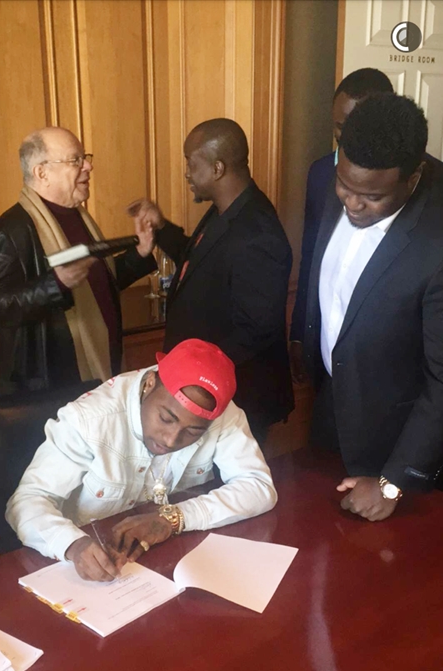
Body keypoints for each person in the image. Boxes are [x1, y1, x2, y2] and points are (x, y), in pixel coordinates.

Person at [6, 339, 277, 582]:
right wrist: (72, 545)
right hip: (81, 567)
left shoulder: (221, 414)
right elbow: (27, 501)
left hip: (168, 560)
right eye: (166, 418)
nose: (171, 439)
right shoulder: (88, 420)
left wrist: (174, 519)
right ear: (149, 383)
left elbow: (258, 486)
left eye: (193, 432)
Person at [300, 92, 443, 522]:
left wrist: (393, 481)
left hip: (395, 447)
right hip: (329, 412)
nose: (352, 203)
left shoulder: (436, 241)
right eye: (345, 186)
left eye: (371, 197)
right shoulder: (348, 176)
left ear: (412, 179)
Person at [129, 118, 294, 444]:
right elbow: (199, 260)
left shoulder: (258, 232)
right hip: (205, 396)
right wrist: (160, 228)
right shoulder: (227, 210)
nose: (187, 173)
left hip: (235, 399)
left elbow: (255, 330)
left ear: (217, 168)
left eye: (191, 163)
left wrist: (193, 377)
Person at [0, 126, 156, 397]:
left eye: (85, 157)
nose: (88, 166)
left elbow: (97, 284)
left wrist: (139, 254)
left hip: (103, 369)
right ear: (42, 173)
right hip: (50, 387)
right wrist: (55, 285)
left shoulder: (79, 217)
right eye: (75, 160)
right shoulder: (11, 230)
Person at [290, 68, 394, 381]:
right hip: (325, 365)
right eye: (339, 128)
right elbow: (311, 257)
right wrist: (299, 333)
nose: (347, 139)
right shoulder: (321, 173)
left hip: (383, 377)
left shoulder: (430, 185)